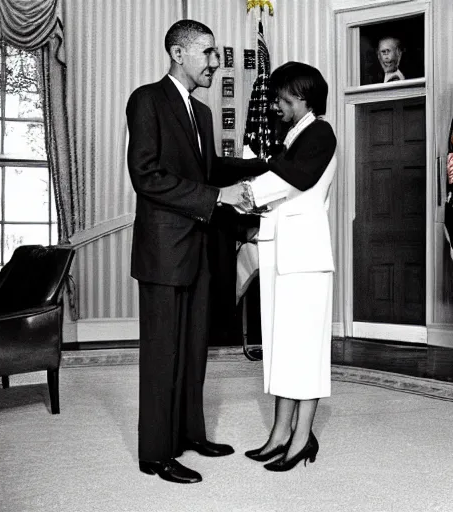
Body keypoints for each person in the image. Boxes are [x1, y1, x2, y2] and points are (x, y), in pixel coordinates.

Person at [126, 19, 251, 485]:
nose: (215, 63)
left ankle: (190, 435)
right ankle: (155, 454)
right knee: (162, 354)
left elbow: (212, 169)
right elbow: (146, 176)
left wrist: (272, 164)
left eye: (216, 55)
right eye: (208, 53)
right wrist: (216, 196)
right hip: (161, 251)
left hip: (196, 248)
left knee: (194, 349)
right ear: (178, 54)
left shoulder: (201, 114)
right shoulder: (146, 100)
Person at [240, 62, 338, 472]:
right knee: (282, 350)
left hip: (307, 258)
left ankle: (301, 439)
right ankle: (280, 434)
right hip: (283, 254)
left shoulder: (320, 132)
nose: (277, 106)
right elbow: (281, 177)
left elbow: (295, 178)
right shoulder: (292, 135)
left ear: (303, 99)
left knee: (306, 352)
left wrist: (248, 190)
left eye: (283, 99)